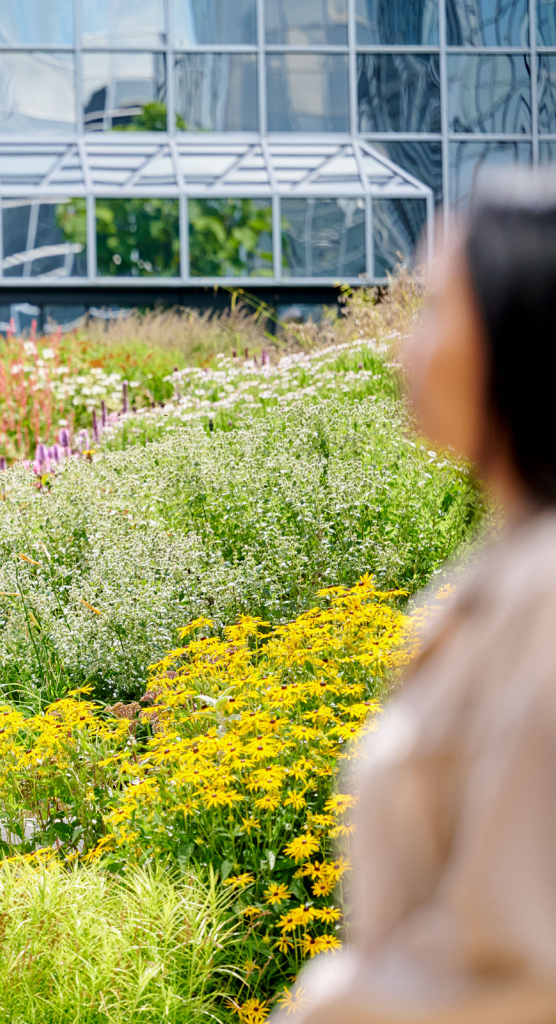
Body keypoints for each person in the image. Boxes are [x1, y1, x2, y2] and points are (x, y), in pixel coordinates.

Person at [274, 172, 556, 1023]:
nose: (406, 350)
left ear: (520, 331)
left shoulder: (545, 594)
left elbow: (528, 971)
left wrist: (334, 1002)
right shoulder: (497, 578)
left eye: (436, 311)